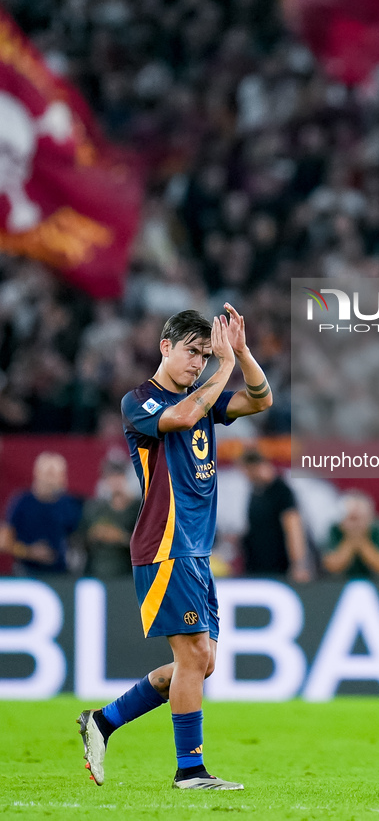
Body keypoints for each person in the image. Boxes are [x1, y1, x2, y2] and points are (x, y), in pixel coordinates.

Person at [77, 304, 272, 791]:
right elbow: (183, 416)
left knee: (202, 662)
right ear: (165, 346)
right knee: (192, 658)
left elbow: (261, 399)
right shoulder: (140, 401)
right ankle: (191, 771)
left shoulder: (203, 397)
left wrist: (242, 354)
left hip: (195, 548)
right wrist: (224, 367)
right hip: (165, 543)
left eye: (206, 356)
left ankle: (103, 721)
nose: (199, 363)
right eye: (193, 352)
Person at [1, 452, 82, 575]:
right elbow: (4, 542)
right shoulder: (22, 502)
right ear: (37, 473)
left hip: (61, 574)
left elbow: (77, 537)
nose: (52, 479)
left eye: (57, 474)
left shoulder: (69, 504)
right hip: (27, 572)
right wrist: (29, 552)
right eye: (49, 473)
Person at [239, 448, 311, 581]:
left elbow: (293, 527)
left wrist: (298, 565)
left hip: (279, 569)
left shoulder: (281, 491)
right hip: (259, 569)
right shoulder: (256, 492)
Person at [78, 459, 140, 578]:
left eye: (119, 475)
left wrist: (120, 537)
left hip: (127, 575)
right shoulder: (94, 508)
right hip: (96, 572)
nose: (115, 481)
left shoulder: (138, 509)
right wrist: (93, 535)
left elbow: (147, 544)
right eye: (111, 477)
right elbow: (79, 540)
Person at [322, 490, 379, 578]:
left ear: (369, 518)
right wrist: (350, 542)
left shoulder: (378, 528)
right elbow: (331, 566)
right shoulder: (334, 529)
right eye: (352, 518)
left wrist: (361, 542)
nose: (356, 524)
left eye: (359, 518)